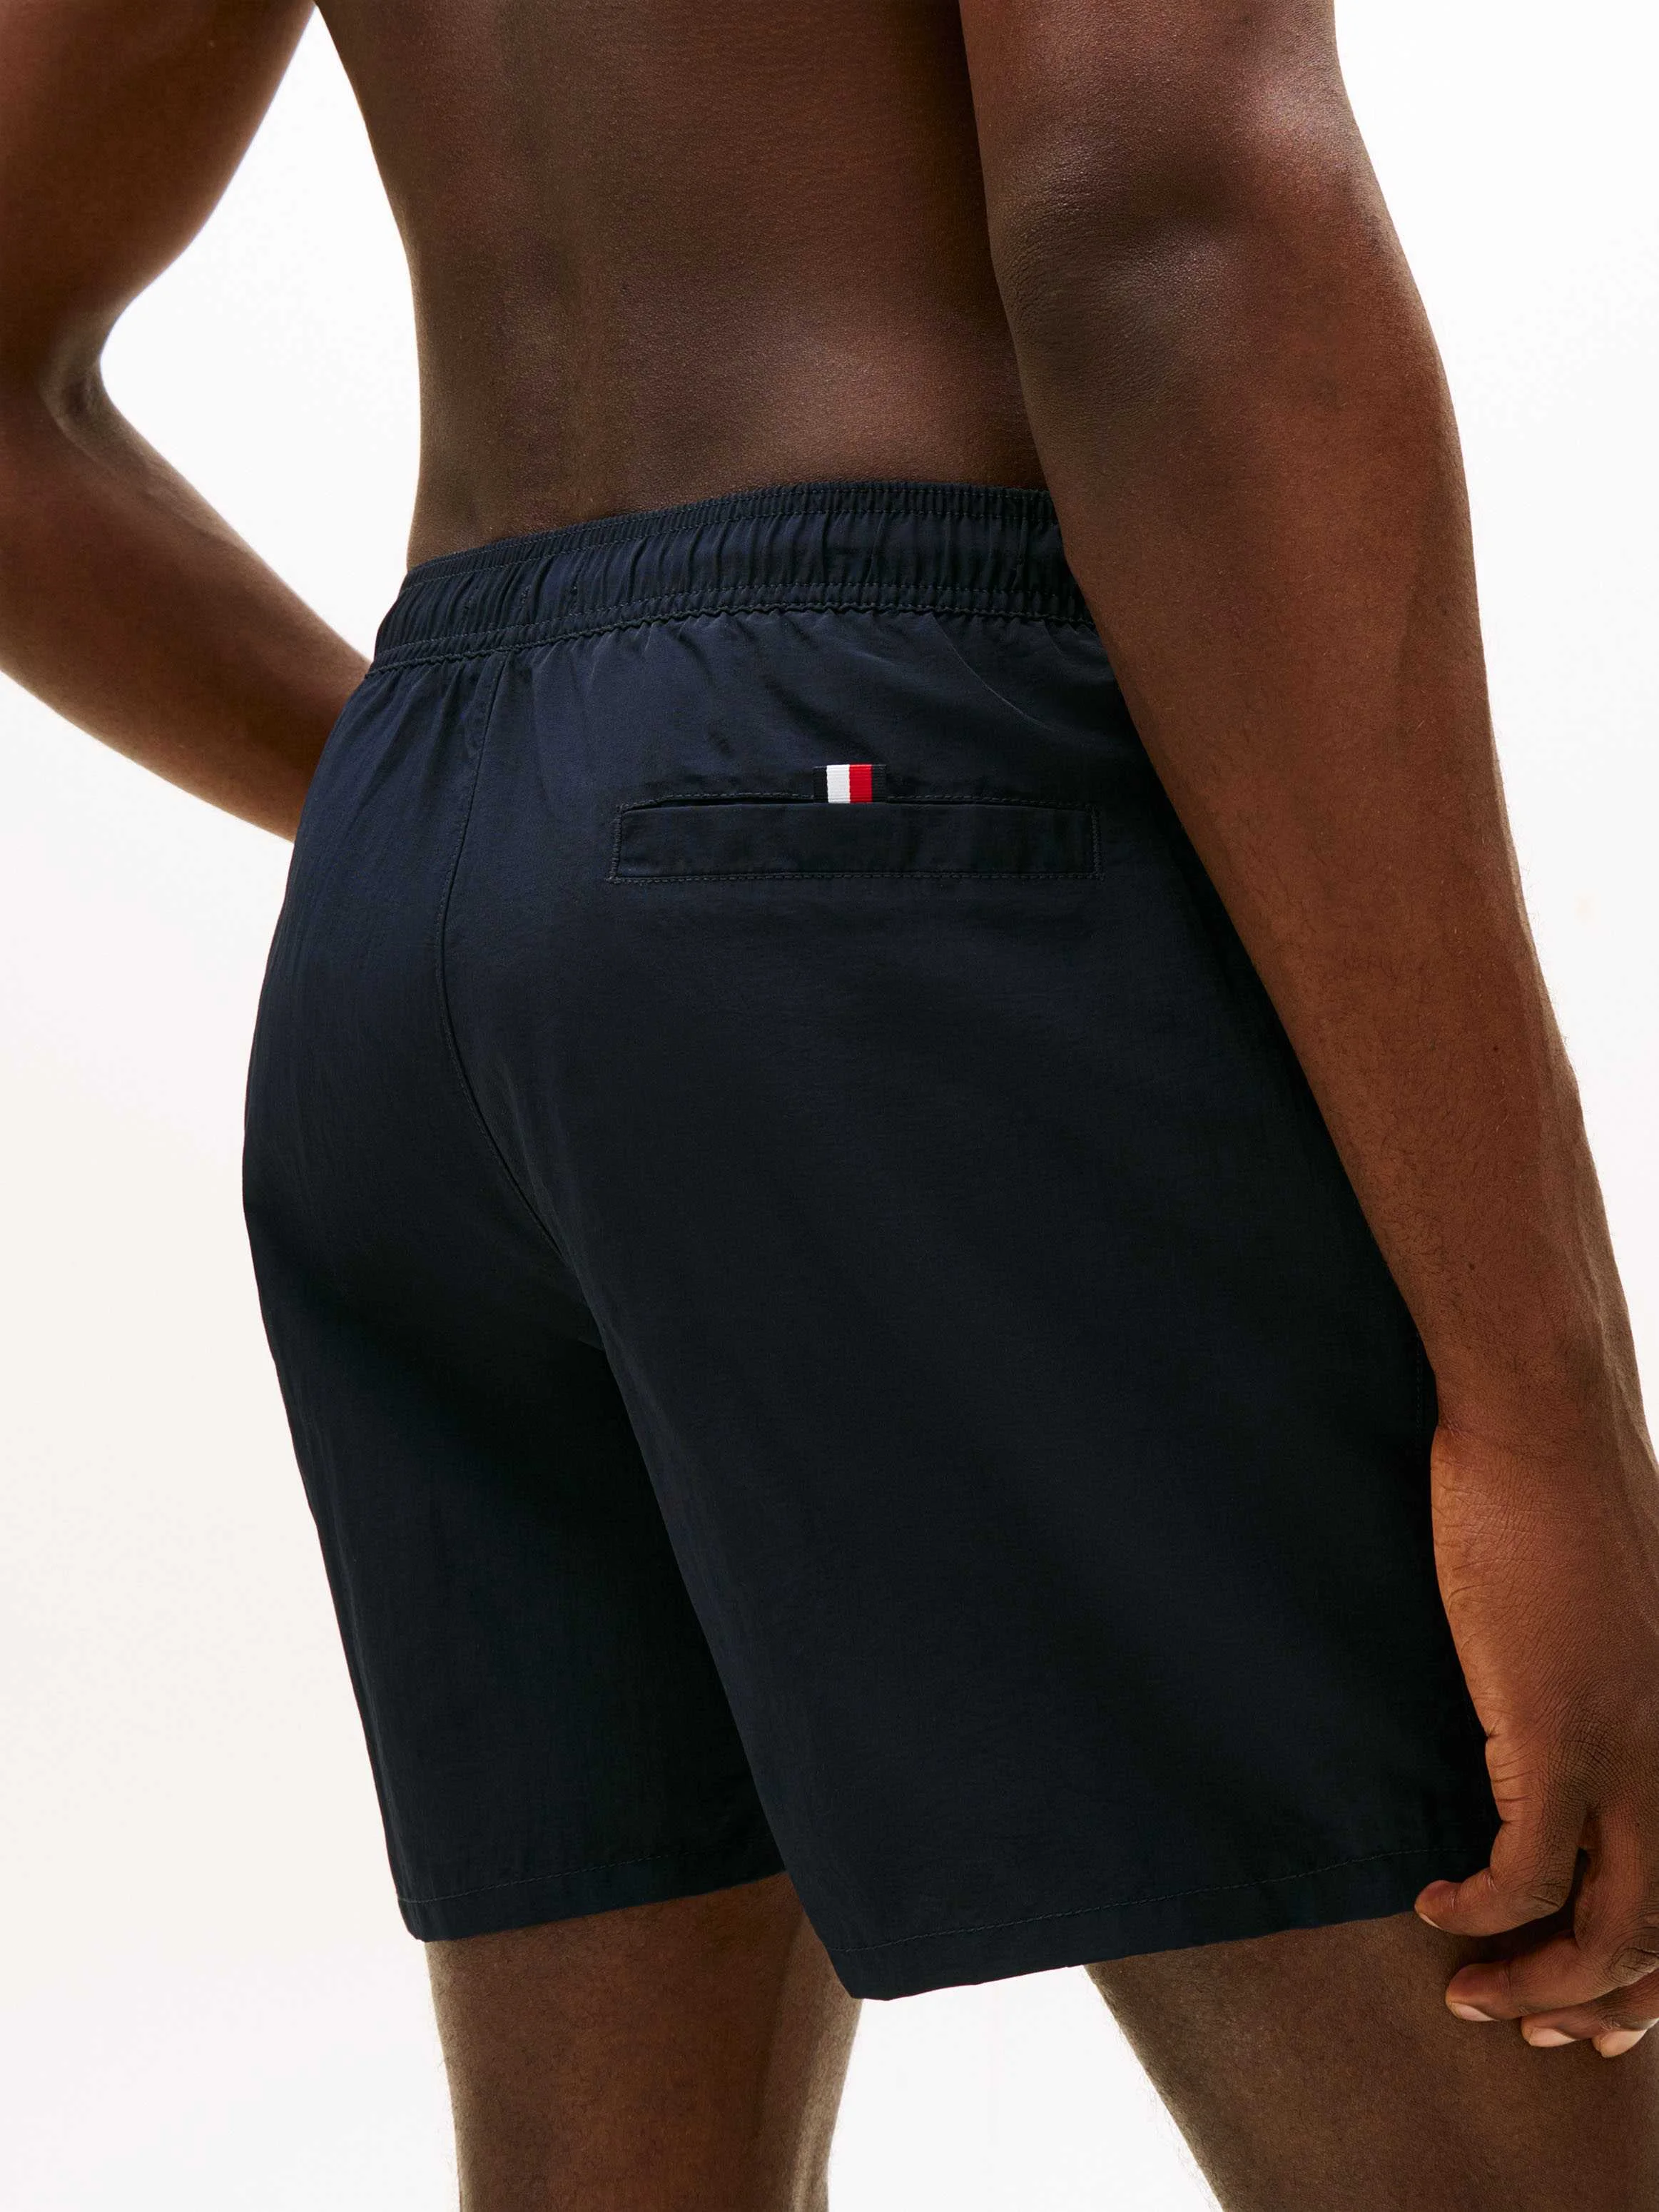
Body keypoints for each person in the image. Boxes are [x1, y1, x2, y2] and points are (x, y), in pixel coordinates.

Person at [3, 1, 1656, 2204]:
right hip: (884, 788)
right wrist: (1539, 1397)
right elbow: (1161, 207)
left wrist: (559, 850)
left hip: (431, 893)